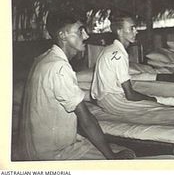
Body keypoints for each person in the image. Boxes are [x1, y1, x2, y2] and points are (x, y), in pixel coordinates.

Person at [19, 11, 135, 160]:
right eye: (80, 31)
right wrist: (111, 157)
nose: (86, 36)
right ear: (62, 35)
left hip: (38, 148)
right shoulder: (59, 68)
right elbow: (86, 120)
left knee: (121, 150)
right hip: (54, 154)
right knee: (128, 159)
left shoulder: (44, 58)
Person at [91, 16, 174, 125]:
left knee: (159, 104)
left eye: (135, 28)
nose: (136, 31)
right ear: (120, 32)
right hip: (114, 102)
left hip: (106, 100)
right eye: (131, 28)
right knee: (161, 110)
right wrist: (152, 99)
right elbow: (130, 95)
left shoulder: (110, 49)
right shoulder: (118, 54)